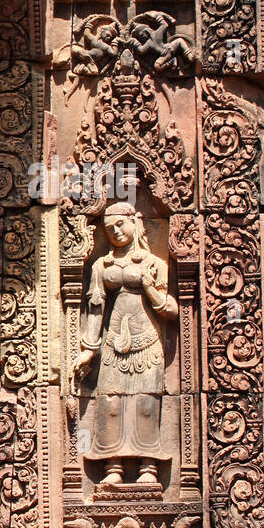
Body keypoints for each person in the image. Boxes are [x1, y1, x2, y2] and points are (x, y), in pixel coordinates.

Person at [73, 201, 176, 486]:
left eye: (120, 224)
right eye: (109, 229)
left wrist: (148, 287)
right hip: (114, 342)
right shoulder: (101, 266)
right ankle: (113, 467)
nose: (116, 231)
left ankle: (148, 468)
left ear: (135, 223)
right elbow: (95, 308)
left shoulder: (154, 264)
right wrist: (89, 349)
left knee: (146, 401)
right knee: (110, 401)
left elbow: (170, 309)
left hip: (147, 340)